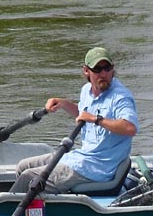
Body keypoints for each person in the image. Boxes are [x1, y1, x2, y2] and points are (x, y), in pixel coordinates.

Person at [10, 46, 138, 194]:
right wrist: (63, 103)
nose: (103, 73)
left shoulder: (121, 97)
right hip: (80, 157)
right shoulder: (86, 91)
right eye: (97, 69)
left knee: (28, 178)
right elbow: (82, 114)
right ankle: (32, 205)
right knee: (23, 167)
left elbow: (130, 128)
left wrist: (96, 119)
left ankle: (11, 206)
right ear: (86, 71)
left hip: (97, 168)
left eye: (107, 68)